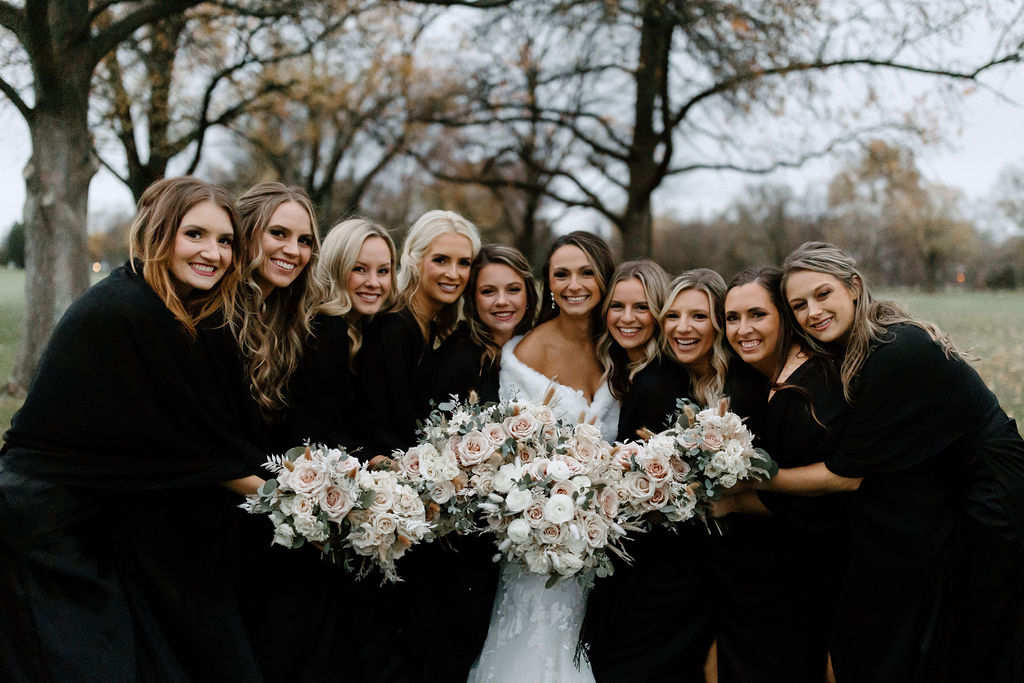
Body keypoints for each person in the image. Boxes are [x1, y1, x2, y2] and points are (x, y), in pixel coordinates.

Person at [0, 176, 265, 682]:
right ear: (159, 234)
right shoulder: (125, 309)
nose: (213, 252)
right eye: (196, 235)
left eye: (225, 240)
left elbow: (212, 433)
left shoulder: (182, 311)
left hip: (100, 517)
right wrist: (293, 499)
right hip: (44, 521)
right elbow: (189, 445)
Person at [756, 242, 1024, 683]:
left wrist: (759, 483)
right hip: (950, 490)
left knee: (989, 625)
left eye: (823, 295)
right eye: (798, 305)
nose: (812, 312)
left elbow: (844, 474)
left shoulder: (897, 349)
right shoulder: (861, 347)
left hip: (993, 488)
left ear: (854, 287)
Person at [469, 230, 618, 683]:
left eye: (586, 273)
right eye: (562, 274)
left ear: (604, 278)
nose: (574, 284)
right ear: (548, 285)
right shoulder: (524, 355)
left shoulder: (621, 348)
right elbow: (512, 462)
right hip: (539, 543)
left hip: (605, 544)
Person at [358, 209, 483, 683]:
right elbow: (379, 422)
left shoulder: (432, 325)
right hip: (397, 500)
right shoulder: (396, 327)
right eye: (441, 260)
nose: (454, 273)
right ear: (414, 259)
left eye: (464, 262)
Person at [715, 267, 852, 682]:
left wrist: (735, 499)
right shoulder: (744, 381)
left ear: (785, 319)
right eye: (732, 318)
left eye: (757, 314)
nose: (742, 329)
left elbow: (835, 493)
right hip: (756, 573)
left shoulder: (814, 386)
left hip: (815, 569)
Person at [582, 260, 716, 682]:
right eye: (616, 306)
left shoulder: (657, 382)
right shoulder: (644, 373)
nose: (626, 318)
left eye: (641, 307)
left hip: (658, 570)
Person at [285, 217, 396, 449]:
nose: (374, 282)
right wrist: (377, 460)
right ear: (336, 267)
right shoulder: (324, 329)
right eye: (359, 269)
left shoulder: (369, 328)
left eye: (383, 271)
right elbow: (318, 430)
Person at [229, 182, 323, 449]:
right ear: (245, 233)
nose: (294, 250)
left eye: (304, 241)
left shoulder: (295, 319)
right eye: (279, 233)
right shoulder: (217, 319)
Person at [431, 243, 539, 405]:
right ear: (473, 300)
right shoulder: (454, 358)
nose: (502, 301)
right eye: (488, 291)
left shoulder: (541, 345)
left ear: (528, 295)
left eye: (513, 289)